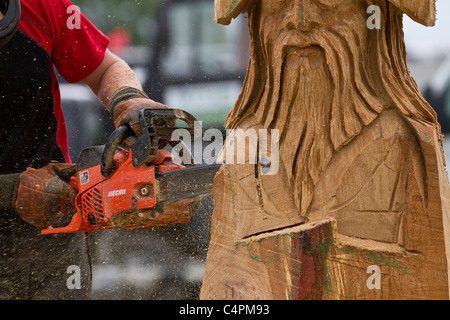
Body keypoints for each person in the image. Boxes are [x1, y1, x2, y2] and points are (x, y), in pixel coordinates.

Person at [0, 0, 166, 299]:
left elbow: (105, 68)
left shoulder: (40, 8)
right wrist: (10, 191)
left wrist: (127, 99)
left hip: (53, 223)